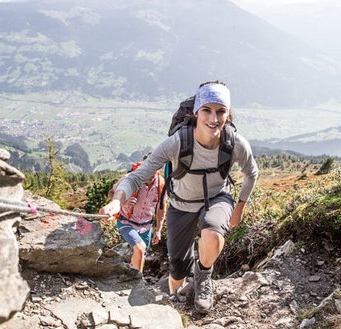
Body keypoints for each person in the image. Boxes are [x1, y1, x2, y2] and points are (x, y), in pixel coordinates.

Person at [100, 81, 258, 313]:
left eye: (221, 111)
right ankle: (176, 299)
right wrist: (117, 200)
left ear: (228, 114)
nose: (214, 119)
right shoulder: (177, 142)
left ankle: (204, 276)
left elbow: (251, 173)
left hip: (217, 198)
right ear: (196, 112)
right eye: (207, 110)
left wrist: (239, 207)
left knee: (213, 233)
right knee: (177, 269)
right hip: (181, 205)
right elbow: (136, 177)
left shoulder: (234, 143)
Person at [107, 158, 166, 273]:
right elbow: (111, 193)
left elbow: (161, 207)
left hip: (146, 226)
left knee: (140, 254)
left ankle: (131, 279)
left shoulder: (161, 184)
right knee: (140, 248)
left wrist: (158, 230)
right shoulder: (129, 179)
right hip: (126, 222)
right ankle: (138, 283)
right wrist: (123, 201)